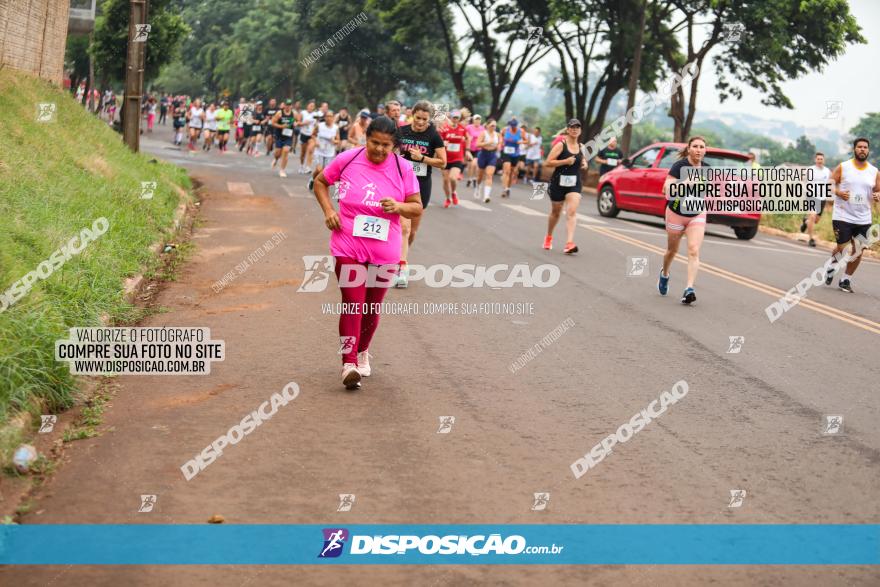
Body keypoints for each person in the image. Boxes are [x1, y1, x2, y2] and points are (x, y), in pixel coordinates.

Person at [312, 116, 423, 389]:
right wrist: (328, 211)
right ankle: (348, 363)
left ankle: (362, 351)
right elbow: (320, 182)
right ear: (366, 138)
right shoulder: (347, 159)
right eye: (375, 143)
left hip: (385, 250)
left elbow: (416, 207)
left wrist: (398, 206)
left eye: (386, 145)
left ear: (394, 145)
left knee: (372, 307)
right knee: (353, 302)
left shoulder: (403, 168)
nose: (380, 150)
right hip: (347, 243)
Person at [395, 100, 447, 287]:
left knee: (412, 231)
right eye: (417, 118)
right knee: (404, 227)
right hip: (400, 183)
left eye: (424, 119)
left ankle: (401, 255)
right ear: (412, 115)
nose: (420, 122)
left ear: (429, 119)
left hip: (421, 186)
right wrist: (396, 158)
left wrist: (422, 158)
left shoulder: (433, 136)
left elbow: (443, 162)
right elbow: (390, 153)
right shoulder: (401, 131)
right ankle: (402, 267)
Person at [824, 138, 880, 293]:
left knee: (859, 250)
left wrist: (878, 196)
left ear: (868, 150)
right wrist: (839, 192)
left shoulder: (874, 171)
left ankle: (845, 280)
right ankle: (832, 266)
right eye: (860, 147)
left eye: (865, 147)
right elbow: (830, 183)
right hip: (843, 215)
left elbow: (878, 190)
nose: (862, 149)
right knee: (842, 247)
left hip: (863, 217)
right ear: (854, 149)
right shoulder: (844, 167)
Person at [658, 136, 710, 305]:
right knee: (671, 251)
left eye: (702, 147)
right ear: (688, 149)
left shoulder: (707, 169)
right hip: (676, 213)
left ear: (705, 150)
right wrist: (686, 183)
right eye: (695, 146)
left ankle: (689, 289)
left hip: (696, 213)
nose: (698, 149)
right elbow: (666, 189)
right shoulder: (679, 166)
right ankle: (665, 273)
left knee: (694, 250)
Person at [543, 119, 586, 254]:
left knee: (571, 211)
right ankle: (549, 236)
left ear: (580, 130)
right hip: (558, 183)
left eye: (577, 127)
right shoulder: (561, 145)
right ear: (568, 130)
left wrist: (584, 164)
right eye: (572, 127)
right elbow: (547, 163)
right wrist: (565, 161)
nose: (575, 129)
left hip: (574, 183)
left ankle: (569, 243)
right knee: (556, 212)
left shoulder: (582, 147)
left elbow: (583, 160)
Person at [800, 152, 832, 247]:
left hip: (822, 197)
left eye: (821, 159)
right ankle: (811, 239)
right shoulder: (810, 169)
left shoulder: (827, 171)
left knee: (815, 220)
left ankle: (805, 222)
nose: (819, 161)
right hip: (811, 196)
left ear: (824, 160)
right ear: (815, 160)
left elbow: (831, 182)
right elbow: (802, 180)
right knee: (812, 216)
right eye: (818, 159)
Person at [440, 110, 468, 208]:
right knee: (445, 180)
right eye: (454, 117)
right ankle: (448, 198)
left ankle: (454, 193)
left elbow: (468, 138)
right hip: (445, 158)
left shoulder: (462, 129)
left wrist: (467, 151)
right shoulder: (444, 129)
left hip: (457, 158)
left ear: (459, 119)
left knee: (452, 178)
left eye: (457, 118)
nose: (455, 119)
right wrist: (442, 143)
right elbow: (439, 141)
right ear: (450, 118)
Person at [309, 111, 340, 190]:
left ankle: (319, 183)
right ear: (325, 117)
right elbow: (313, 134)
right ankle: (312, 180)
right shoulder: (319, 126)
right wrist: (316, 141)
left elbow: (338, 140)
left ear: (333, 118)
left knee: (325, 172)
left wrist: (334, 141)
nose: (329, 118)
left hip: (329, 153)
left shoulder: (335, 128)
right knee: (319, 169)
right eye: (327, 116)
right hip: (319, 151)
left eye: (330, 116)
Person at [474, 119, 501, 203]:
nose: (494, 127)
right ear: (487, 125)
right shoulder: (483, 133)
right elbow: (477, 144)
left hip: (492, 155)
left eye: (495, 126)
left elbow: (500, 144)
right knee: (480, 176)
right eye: (492, 125)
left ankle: (486, 196)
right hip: (483, 154)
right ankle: (478, 187)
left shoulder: (498, 135)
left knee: (489, 175)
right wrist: (488, 143)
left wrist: (499, 147)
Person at [500, 119, 526, 198]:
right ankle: (504, 189)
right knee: (506, 171)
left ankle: (508, 188)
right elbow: (500, 135)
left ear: (516, 125)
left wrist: (520, 142)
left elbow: (526, 140)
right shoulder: (505, 129)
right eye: (512, 125)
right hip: (506, 152)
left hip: (515, 154)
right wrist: (502, 141)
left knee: (511, 172)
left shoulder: (521, 131)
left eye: (514, 126)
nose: (513, 127)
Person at [271, 99, 298, 178]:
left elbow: (297, 121)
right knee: (277, 153)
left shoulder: (294, 114)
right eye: (286, 105)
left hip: (288, 136)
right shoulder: (279, 113)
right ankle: (276, 159)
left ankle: (282, 170)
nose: (288, 106)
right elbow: (273, 123)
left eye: (289, 105)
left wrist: (296, 123)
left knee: (286, 151)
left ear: (291, 106)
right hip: (279, 135)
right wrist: (281, 126)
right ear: (284, 105)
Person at [298, 100, 318, 173]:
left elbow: (317, 124)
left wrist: (316, 128)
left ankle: (308, 167)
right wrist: (304, 123)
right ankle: (301, 165)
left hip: (311, 135)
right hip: (303, 134)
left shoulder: (315, 114)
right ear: (307, 106)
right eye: (310, 106)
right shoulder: (303, 113)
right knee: (303, 153)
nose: (311, 107)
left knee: (310, 150)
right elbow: (297, 123)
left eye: (313, 106)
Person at [465, 114, 484, 188]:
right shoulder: (469, 127)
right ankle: (469, 179)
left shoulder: (482, 128)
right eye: (476, 119)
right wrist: (468, 138)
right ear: (473, 120)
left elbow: (484, 137)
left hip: (478, 149)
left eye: (479, 119)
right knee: (470, 166)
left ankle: (474, 179)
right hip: (470, 149)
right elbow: (464, 135)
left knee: (474, 164)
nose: (477, 121)